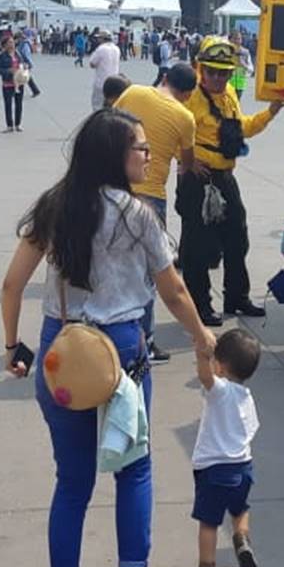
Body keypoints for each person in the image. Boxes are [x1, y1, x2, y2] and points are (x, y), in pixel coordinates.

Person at [0, 109, 217, 567]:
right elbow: (174, 290)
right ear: (114, 156)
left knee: (72, 482)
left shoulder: (55, 206)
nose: (148, 155)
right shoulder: (138, 215)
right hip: (121, 351)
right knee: (134, 471)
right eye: (140, 147)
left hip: (63, 350)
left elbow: (11, 285)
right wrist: (202, 335)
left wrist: (13, 347)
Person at [178, 37, 284, 327]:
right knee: (198, 247)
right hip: (198, 179)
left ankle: (237, 297)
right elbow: (172, 130)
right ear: (200, 69)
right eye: (212, 71)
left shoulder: (228, 95)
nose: (218, 78)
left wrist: (271, 113)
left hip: (224, 177)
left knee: (238, 238)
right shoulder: (191, 98)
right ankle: (199, 305)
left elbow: (243, 128)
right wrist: (187, 161)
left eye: (224, 72)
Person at [113, 62, 198, 364]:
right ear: (188, 93)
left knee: (111, 262)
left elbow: (109, 125)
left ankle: (106, 330)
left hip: (115, 189)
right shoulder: (184, 117)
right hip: (150, 197)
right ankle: (145, 342)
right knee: (149, 272)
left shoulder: (132, 92)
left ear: (164, 77)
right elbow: (187, 162)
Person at [188, 329, 262, 567]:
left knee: (209, 522)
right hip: (243, 468)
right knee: (240, 510)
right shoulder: (246, 396)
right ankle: (241, 539)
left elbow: (205, 377)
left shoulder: (221, 390)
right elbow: (252, 430)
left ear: (220, 366)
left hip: (214, 470)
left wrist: (201, 353)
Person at [0, 33, 27, 133]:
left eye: (12, 42)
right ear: (5, 45)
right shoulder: (2, 56)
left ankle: (18, 124)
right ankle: (9, 125)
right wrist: (8, 71)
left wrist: (24, 67)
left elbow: (24, 63)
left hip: (19, 82)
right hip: (8, 83)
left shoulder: (18, 54)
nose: (12, 44)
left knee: (19, 105)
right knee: (8, 105)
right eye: (9, 42)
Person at [88, 31, 121, 110]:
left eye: (99, 38)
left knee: (98, 104)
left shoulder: (101, 49)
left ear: (102, 39)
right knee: (111, 104)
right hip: (114, 81)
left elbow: (92, 63)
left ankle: (99, 117)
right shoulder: (116, 49)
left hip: (101, 81)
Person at [16, 29, 44, 98]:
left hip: (24, 63)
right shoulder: (22, 43)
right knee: (26, 78)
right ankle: (35, 91)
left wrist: (29, 63)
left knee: (21, 78)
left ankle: (21, 92)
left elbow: (26, 54)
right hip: (23, 62)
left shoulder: (25, 44)